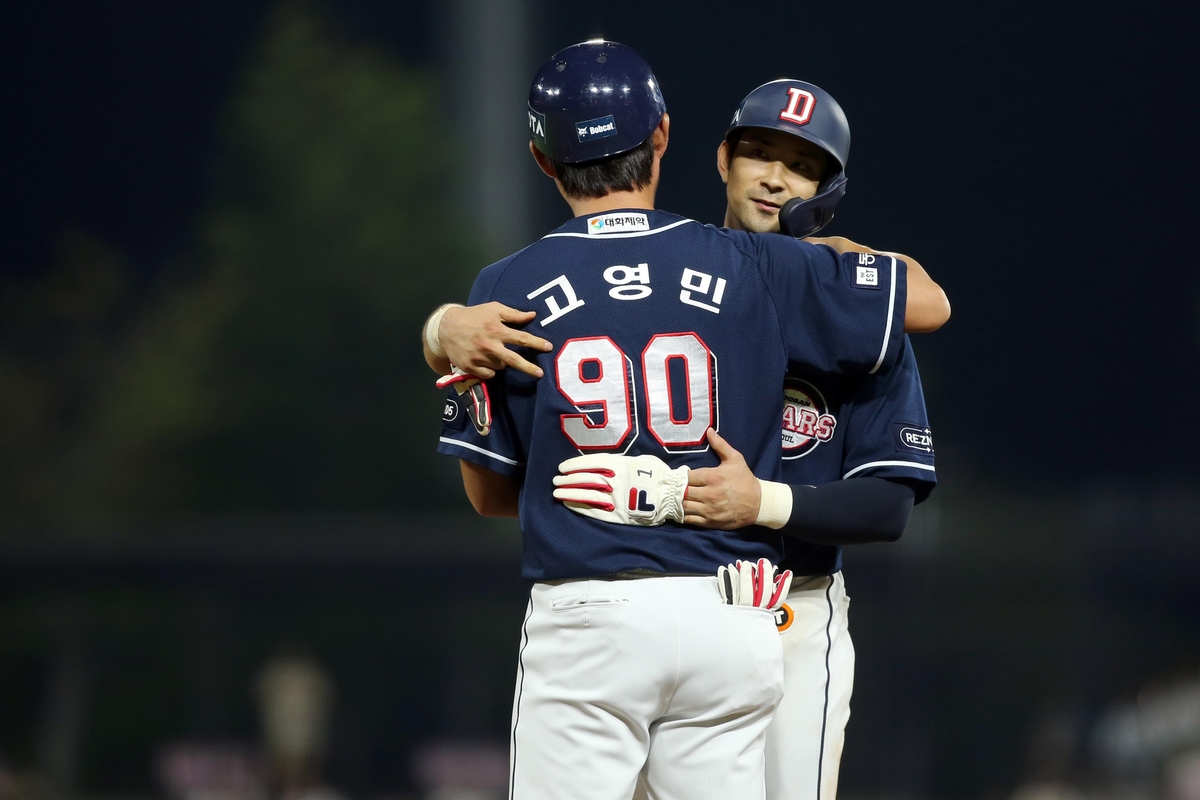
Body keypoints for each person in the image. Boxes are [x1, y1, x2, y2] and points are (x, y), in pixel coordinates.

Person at [430, 42, 948, 800]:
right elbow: (927, 300)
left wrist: (441, 327)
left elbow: (892, 490)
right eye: (760, 153)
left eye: (802, 166)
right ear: (699, 150)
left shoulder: (513, 285)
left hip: (777, 603)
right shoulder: (750, 270)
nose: (775, 176)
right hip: (718, 606)